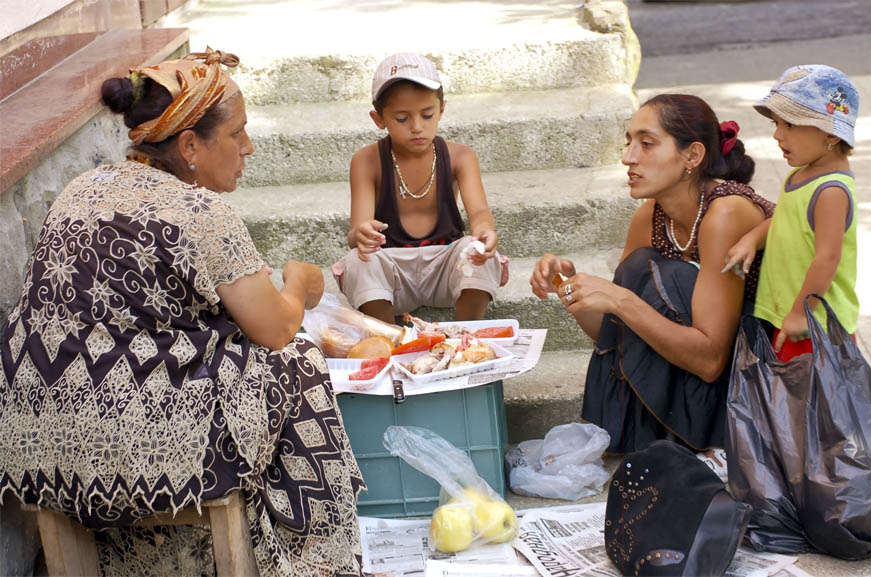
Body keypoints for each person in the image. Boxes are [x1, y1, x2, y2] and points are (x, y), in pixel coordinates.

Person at [0, 49, 365, 576]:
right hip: (130, 449)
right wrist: (298, 280)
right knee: (298, 360)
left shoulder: (81, 188)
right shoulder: (203, 212)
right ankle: (315, 561)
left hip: (33, 436)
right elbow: (277, 327)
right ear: (190, 145)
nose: (249, 147)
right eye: (237, 133)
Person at [530, 94, 774, 455]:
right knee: (640, 269)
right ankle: (653, 442)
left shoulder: (725, 214)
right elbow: (614, 330)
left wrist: (621, 299)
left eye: (646, 144)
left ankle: (706, 445)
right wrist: (566, 286)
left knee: (664, 277)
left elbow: (709, 361)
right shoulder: (650, 216)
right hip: (706, 371)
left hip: (756, 381)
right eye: (629, 143)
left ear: (692, 156)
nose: (628, 157)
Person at [332, 53, 506, 324]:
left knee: (476, 251)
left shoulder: (460, 157)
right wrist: (363, 234)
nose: (417, 127)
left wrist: (484, 231)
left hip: (445, 267)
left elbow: (480, 212)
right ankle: (389, 341)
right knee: (359, 260)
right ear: (379, 119)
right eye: (401, 118)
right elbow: (356, 233)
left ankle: (466, 334)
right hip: (392, 273)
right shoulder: (367, 161)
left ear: (442, 109)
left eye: (427, 115)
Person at [724, 65, 859, 362]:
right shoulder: (801, 175)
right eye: (776, 124)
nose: (777, 134)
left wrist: (801, 313)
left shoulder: (831, 191)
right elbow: (786, 222)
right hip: (790, 315)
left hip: (816, 327)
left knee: (813, 405)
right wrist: (752, 239)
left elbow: (828, 257)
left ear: (831, 134)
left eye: (790, 125)